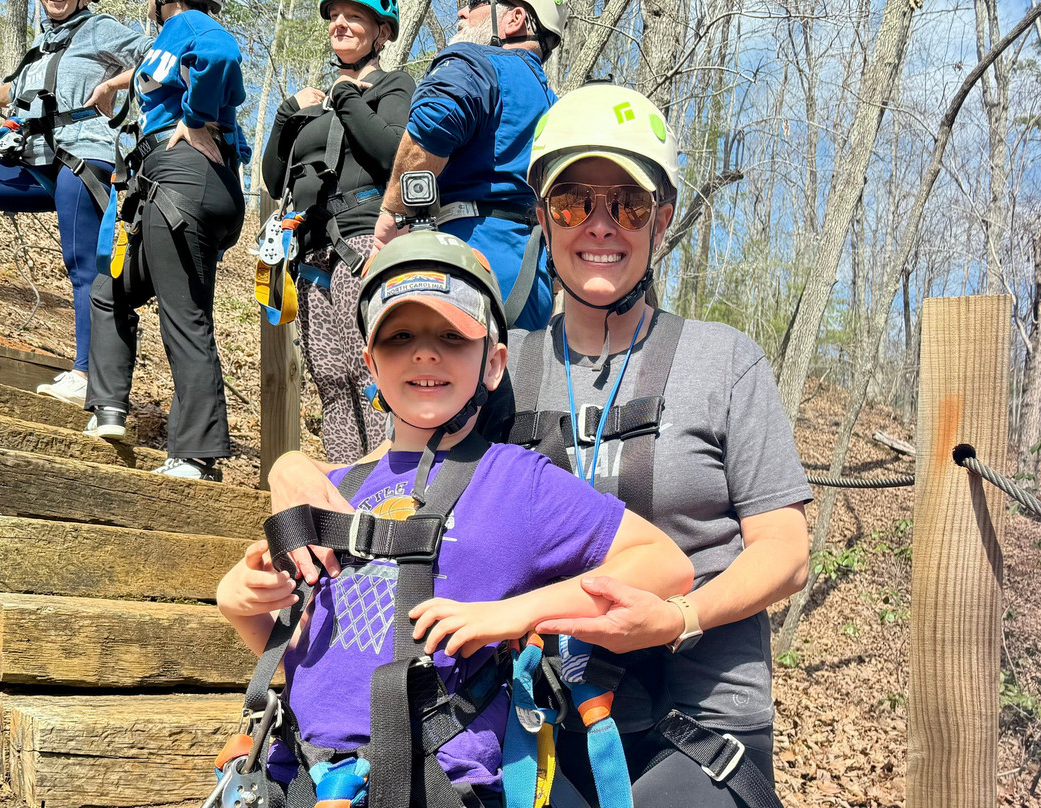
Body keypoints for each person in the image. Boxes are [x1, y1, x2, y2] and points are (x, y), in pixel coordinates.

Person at [217, 230, 694, 807]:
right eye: (400, 337)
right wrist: (240, 604)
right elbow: (306, 659)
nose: (424, 353)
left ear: (493, 364)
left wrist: (515, 614)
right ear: (370, 363)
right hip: (294, 779)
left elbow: (665, 566)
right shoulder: (330, 487)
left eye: (451, 335)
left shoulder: (519, 481)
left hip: (440, 786)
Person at [496, 83, 812, 808]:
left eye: (628, 204)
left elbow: (786, 552)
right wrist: (296, 472)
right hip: (538, 713)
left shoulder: (724, 361)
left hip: (700, 712)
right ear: (544, 217)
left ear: (661, 220)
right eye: (574, 201)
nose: (600, 224)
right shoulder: (500, 369)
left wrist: (680, 617)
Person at [81, 0, 249, 481]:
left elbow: (219, 57)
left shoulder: (191, 23)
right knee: (111, 288)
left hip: (184, 178)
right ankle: (109, 408)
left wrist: (195, 117)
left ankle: (196, 454)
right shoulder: (166, 40)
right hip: (168, 181)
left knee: (185, 314)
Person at [261, 0, 414, 464]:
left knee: (370, 372)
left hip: (364, 240)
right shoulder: (314, 104)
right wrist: (288, 114)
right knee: (330, 379)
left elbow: (392, 152)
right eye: (334, 17)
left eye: (354, 17)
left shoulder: (392, 85)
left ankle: (387, 485)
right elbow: (274, 178)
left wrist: (347, 95)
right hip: (311, 253)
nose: (339, 24)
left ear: (381, 33)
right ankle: (346, 488)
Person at [0, 0, 151, 406]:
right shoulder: (43, 41)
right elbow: (17, 91)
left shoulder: (100, 29)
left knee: (82, 263)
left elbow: (160, 58)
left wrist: (114, 84)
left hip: (82, 154)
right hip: (33, 154)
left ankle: (86, 374)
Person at [371, 0, 566, 332]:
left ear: (515, 19)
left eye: (477, 4)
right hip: (533, 281)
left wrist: (388, 224)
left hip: (461, 264)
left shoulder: (476, 65)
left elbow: (433, 125)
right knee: (515, 380)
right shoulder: (557, 106)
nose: (461, 13)